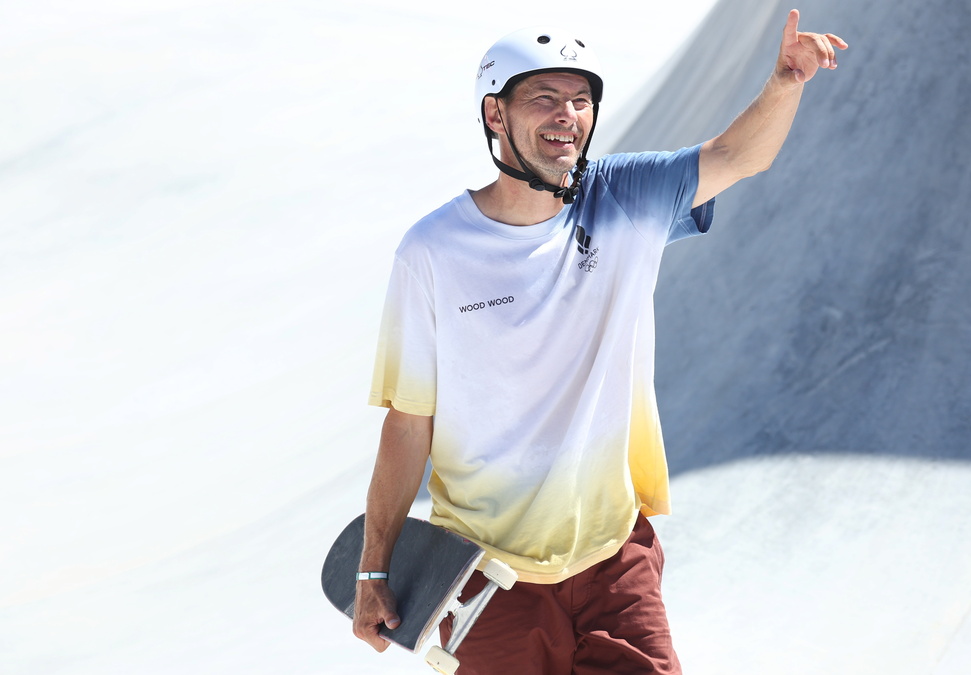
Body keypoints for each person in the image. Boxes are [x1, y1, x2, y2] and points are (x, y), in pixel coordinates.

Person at [352, 10, 846, 674]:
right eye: (544, 97)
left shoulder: (624, 197)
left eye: (581, 99)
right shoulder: (433, 253)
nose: (568, 114)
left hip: (614, 560)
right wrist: (374, 567)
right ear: (495, 114)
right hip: (486, 581)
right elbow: (410, 421)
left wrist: (785, 81)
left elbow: (735, 156)